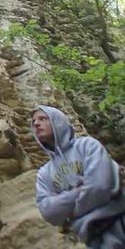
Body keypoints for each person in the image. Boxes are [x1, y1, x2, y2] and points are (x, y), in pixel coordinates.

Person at [32, 105, 125, 247]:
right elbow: (48, 211)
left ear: (58, 122)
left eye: (43, 118)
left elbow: (100, 186)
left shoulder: (87, 145)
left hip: (119, 219)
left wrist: (72, 213)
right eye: (33, 122)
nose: (36, 124)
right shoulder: (44, 173)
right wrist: (79, 191)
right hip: (93, 237)